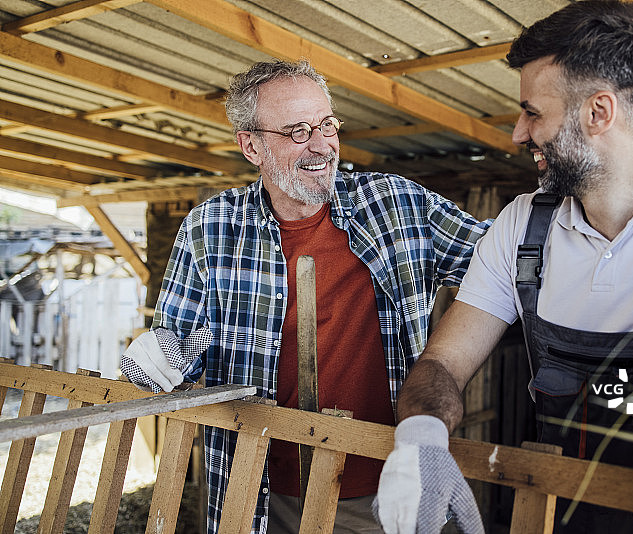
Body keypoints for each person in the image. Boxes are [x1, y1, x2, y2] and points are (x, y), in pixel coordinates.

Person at [374, 1, 633, 533]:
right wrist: (422, 437)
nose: (517, 133)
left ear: (598, 112)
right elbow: (443, 362)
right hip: (556, 516)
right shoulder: (521, 228)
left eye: (533, 112)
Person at [120, 59, 491, 533]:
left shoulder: (398, 206)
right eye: (297, 131)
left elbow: (498, 263)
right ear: (251, 145)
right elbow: (176, 347)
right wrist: (155, 358)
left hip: (380, 489)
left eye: (327, 125)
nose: (321, 146)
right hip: (258, 491)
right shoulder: (210, 228)